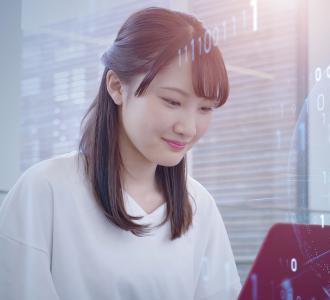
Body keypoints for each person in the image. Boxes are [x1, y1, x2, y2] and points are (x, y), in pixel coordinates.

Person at [0, 7, 240, 300]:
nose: (188, 127)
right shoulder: (44, 190)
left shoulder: (199, 205)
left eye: (205, 108)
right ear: (116, 86)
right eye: (172, 101)